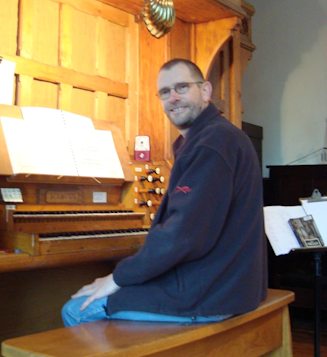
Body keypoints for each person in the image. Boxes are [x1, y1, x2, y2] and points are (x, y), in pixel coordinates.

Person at [62, 58, 268, 328]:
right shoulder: (211, 137)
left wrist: (117, 278)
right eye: (165, 92)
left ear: (205, 91)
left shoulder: (210, 144)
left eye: (182, 87)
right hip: (226, 283)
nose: (173, 97)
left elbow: (185, 235)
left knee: (76, 310)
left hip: (209, 292)